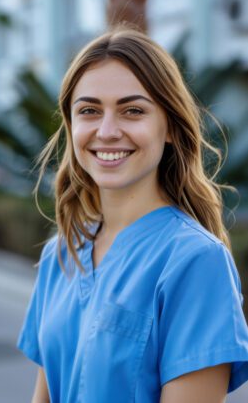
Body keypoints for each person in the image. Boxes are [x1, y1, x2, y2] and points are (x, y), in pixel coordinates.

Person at [16, 25, 248, 402]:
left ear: (170, 126)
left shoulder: (196, 262)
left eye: (133, 110)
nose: (107, 131)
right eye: (89, 110)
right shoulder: (60, 254)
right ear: (71, 125)